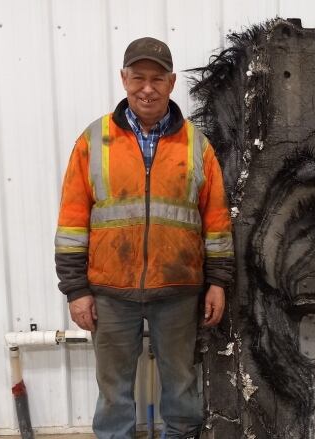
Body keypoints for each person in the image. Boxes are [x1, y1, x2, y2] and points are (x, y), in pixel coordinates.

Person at [54, 37, 233, 439]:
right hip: (109, 293)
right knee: (113, 393)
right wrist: (76, 290)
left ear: (171, 83)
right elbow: (71, 220)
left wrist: (218, 282)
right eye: (138, 78)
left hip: (179, 291)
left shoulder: (196, 145)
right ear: (124, 79)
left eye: (156, 79)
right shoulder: (93, 141)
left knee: (182, 388)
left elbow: (217, 222)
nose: (147, 88)